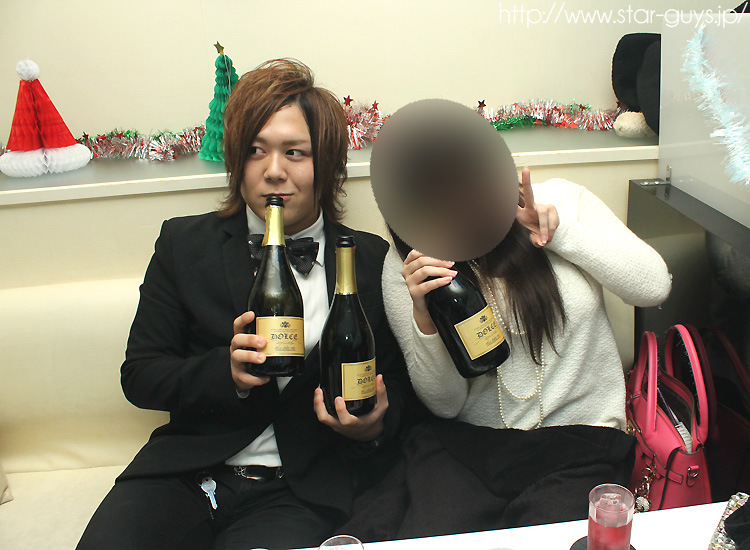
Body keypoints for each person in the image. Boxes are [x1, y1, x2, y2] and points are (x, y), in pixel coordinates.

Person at [76, 58, 412, 550]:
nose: (274, 171)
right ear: (237, 160)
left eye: (295, 152)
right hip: (182, 476)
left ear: (327, 164)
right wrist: (226, 373)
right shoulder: (183, 245)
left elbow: (401, 386)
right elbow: (141, 375)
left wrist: (373, 425)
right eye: (256, 151)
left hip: (298, 493)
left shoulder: (369, 259)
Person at [346, 167, 672, 539]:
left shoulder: (562, 199)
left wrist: (559, 233)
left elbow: (654, 287)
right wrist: (425, 318)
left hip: (582, 445)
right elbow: (446, 404)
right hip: (473, 449)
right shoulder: (408, 262)